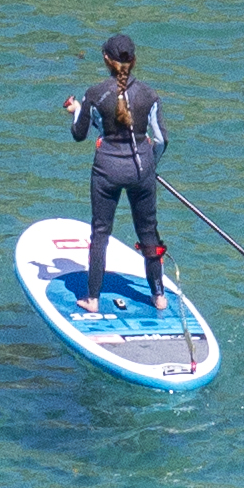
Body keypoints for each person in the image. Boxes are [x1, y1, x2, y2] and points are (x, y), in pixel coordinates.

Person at [62, 35, 170, 312]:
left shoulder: (95, 93)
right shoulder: (149, 94)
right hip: (141, 169)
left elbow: (79, 134)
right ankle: (158, 296)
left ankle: (92, 299)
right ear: (133, 61)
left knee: (100, 232)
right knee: (148, 232)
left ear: (106, 60)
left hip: (107, 170)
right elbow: (160, 140)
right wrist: (150, 166)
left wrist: (76, 111)